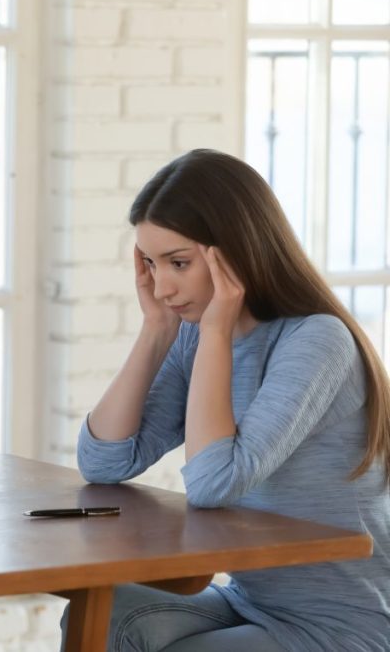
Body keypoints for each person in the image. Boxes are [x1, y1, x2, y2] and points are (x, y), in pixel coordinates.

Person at [65, 149, 390, 651]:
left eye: (178, 263)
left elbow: (215, 482)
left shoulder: (316, 341)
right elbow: (105, 460)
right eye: (151, 264)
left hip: (341, 624)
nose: (163, 286)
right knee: (106, 615)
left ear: (235, 253)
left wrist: (214, 331)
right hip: (251, 598)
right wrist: (156, 332)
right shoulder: (194, 336)